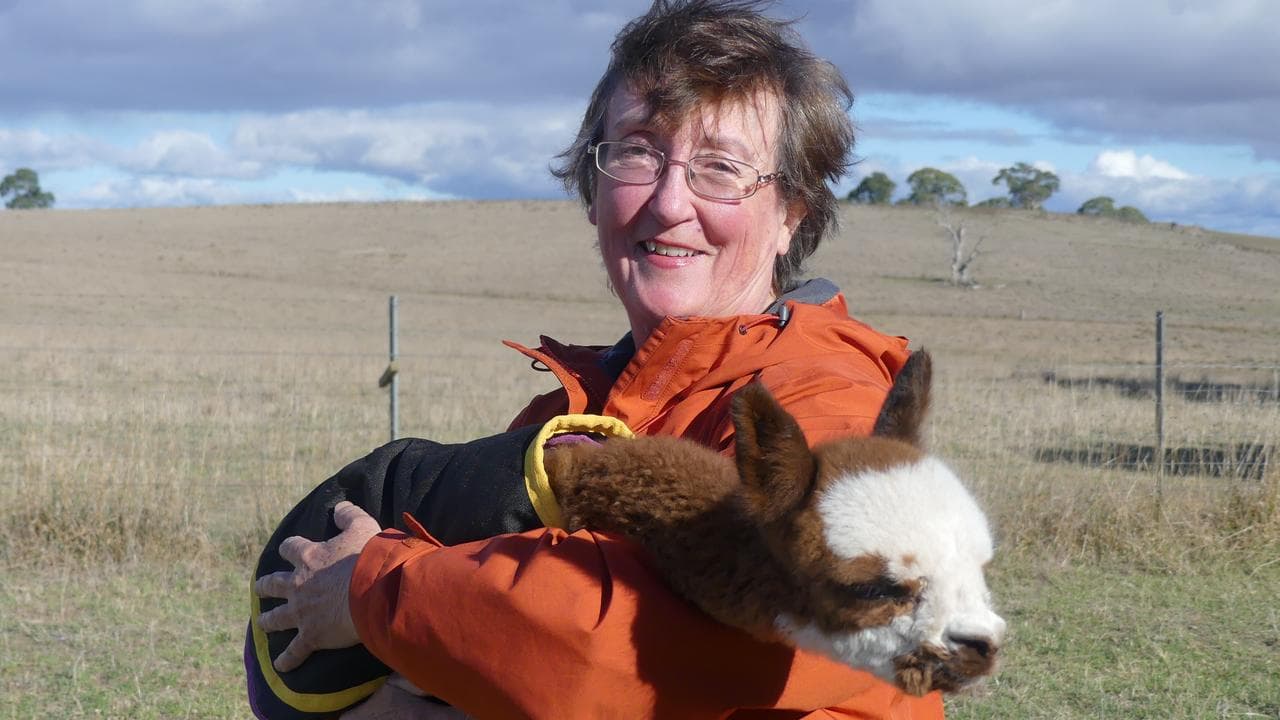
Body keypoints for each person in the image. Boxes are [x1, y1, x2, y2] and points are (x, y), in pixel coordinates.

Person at [248, 1, 943, 718]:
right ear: (594, 186)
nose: (669, 202)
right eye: (638, 152)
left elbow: (708, 636)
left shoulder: (827, 398)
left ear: (791, 213)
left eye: (721, 167)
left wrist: (372, 590)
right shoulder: (569, 413)